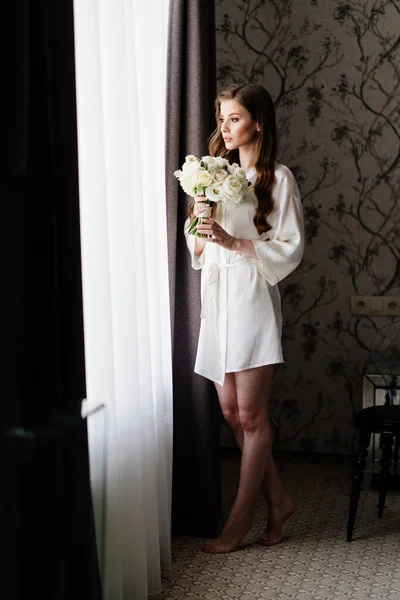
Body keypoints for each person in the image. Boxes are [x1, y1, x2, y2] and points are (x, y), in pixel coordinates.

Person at [184, 83, 304, 554]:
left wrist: (234, 243)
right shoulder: (214, 174)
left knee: (253, 416)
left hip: (252, 293)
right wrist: (200, 218)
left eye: (234, 118)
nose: (224, 128)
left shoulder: (278, 177)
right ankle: (279, 500)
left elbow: (291, 248)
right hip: (217, 295)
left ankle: (240, 518)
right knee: (233, 414)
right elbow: (197, 249)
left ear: (257, 120)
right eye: (221, 118)